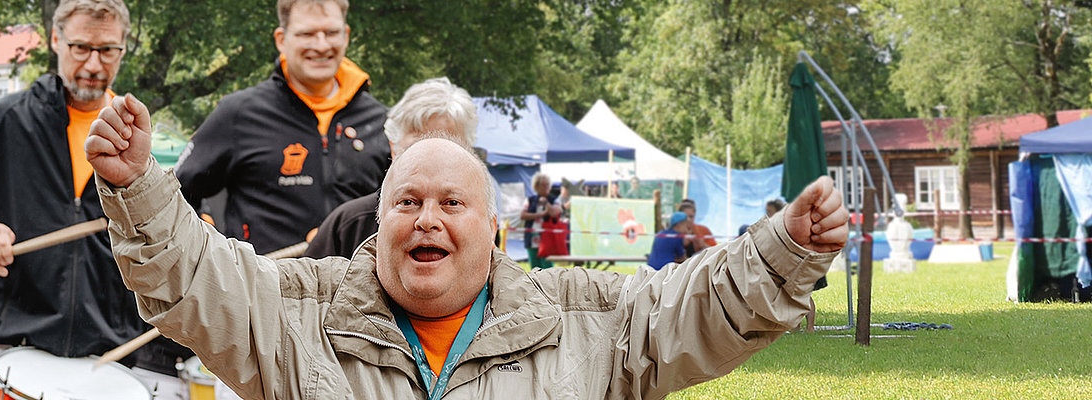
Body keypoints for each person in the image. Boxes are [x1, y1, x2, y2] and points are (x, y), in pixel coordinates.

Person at [86, 94, 848, 399]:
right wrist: (137, 185)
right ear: (378, 222)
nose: (428, 220)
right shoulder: (299, 316)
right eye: (408, 203)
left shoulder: (580, 320)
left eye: (453, 204)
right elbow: (196, 278)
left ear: (494, 229)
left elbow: (692, 308)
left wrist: (782, 251)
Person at [0, 0, 190, 396]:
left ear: (123, 48)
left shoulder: (134, 133)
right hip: (15, 345)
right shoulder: (6, 120)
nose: (93, 64)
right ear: (56, 39)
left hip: (112, 354)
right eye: (80, 48)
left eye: (108, 50)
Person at [175, 0, 390, 255]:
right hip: (265, 277)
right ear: (281, 39)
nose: (321, 45)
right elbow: (175, 194)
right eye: (307, 34)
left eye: (331, 33)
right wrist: (209, 246)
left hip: (358, 279)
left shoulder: (383, 122)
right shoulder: (239, 113)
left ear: (346, 36)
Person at [304, 78, 477, 259]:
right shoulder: (350, 225)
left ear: (468, 152)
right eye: (416, 146)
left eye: (443, 147)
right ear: (393, 147)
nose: (428, 158)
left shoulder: (480, 222)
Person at [519, 173, 560, 269]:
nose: (546, 187)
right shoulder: (530, 200)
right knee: (535, 267)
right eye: (543, 185)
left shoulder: (554, 200)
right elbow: (523, 215)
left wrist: (546, 203)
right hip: (531, 238)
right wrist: (541, 215)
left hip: (547, 239)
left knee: (548, 267)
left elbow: (555, 213)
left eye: (547, 185)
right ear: (536, 186)